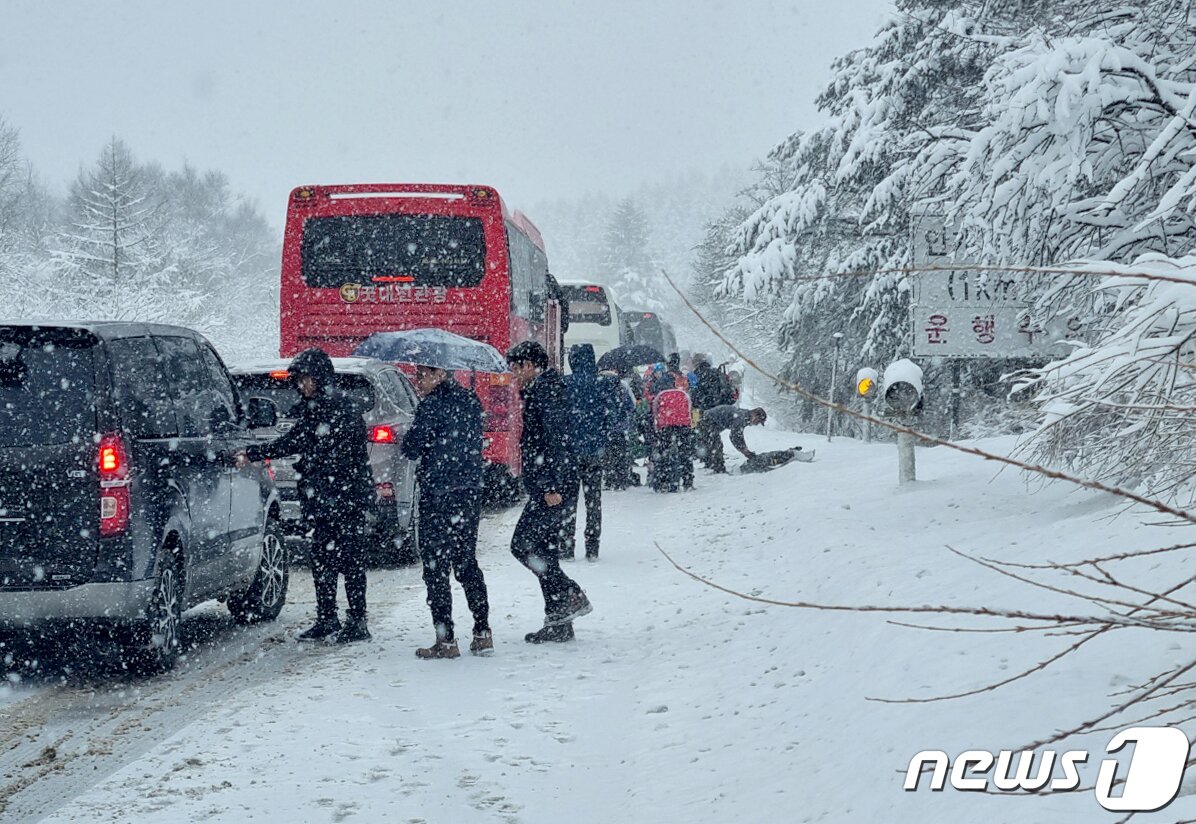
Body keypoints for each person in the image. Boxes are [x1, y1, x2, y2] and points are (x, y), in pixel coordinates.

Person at [236, 348, 373, 643]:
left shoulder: (335, 408)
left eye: (306, 379)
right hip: (327, 498)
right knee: (323, 559)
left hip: (342, 498)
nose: (301, 385)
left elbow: (301, 443)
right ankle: (328, 618)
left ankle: (356, 621)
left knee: (349, 561)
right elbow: (299, 441)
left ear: (320, 377)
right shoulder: (320, 407)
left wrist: (256, 453)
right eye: (299, 380)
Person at [400, 363, 492, 659]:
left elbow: (412, 448)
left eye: (423, 375)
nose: (418, 380)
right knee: (466, 562)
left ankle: (446, 640)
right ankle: (483, 632)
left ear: (440, 374)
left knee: (436, 567)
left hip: (438, 494)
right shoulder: (471, 400)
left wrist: (411, 436)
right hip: (469, 491)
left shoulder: (430, 406)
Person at [505, 341, 593, 644]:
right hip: (550, 483)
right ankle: (559, 621)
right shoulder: (542, 390)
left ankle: (570, 593)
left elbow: (555, 442)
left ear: (530, 366)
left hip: (552, 486)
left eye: (516, 368)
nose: (514, 374)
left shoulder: (547, 392)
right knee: (545, 550)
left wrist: (550, 485)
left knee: (522, 545)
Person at [562, 344, 618, 560]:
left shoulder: (564, 384)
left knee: (568, 500)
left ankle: (566, 545)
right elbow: (612, 415)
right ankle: (592, 546)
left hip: (570, 453)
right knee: (593, 500)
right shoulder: (603, 384)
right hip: (595, 450)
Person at [696, 405, 767, 474]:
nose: (757, 424)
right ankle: (719, 470)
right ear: (755, 415)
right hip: (707, 420)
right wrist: (745, 451)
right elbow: (734, 436)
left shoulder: (745, 416)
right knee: (716, 446)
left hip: (709, 420)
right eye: (758, 421)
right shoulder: (742, 418)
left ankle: (710, 464)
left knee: (711, 443)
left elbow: (739, 435)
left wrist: (745, 450)